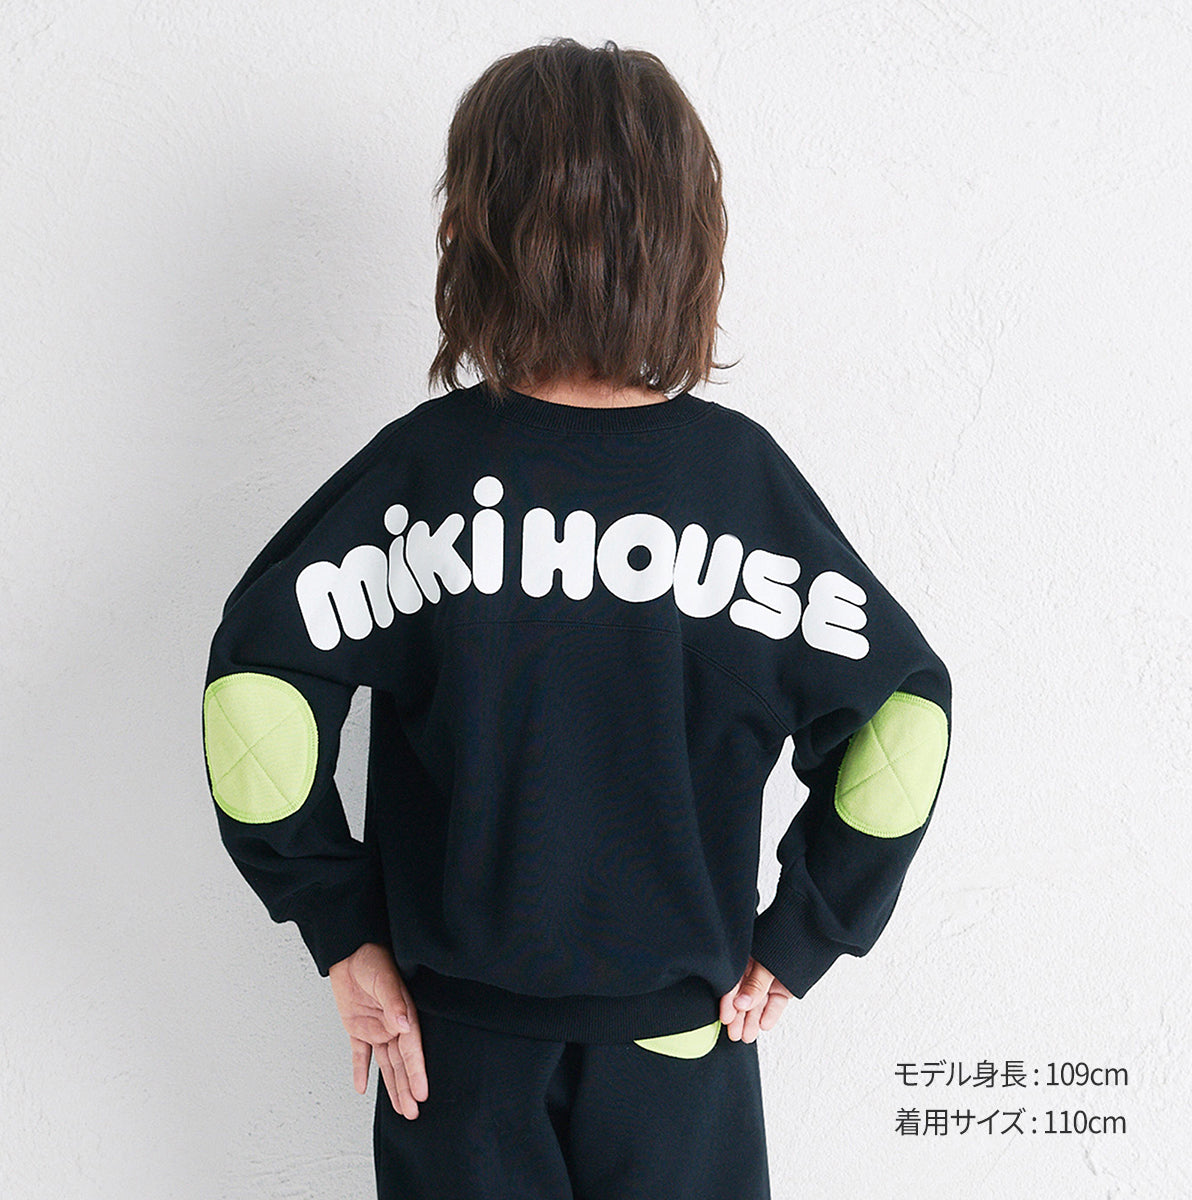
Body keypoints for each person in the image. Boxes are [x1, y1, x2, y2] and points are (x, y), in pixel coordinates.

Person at [201, 37, 952, 1200]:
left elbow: (256, 693)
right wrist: (806, 930)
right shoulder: (737, 484)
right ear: (685, 244)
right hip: (681, 1049)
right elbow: (901, 716)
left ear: (472, 236)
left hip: (456, 1055)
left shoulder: (425, 475)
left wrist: (339, 933)